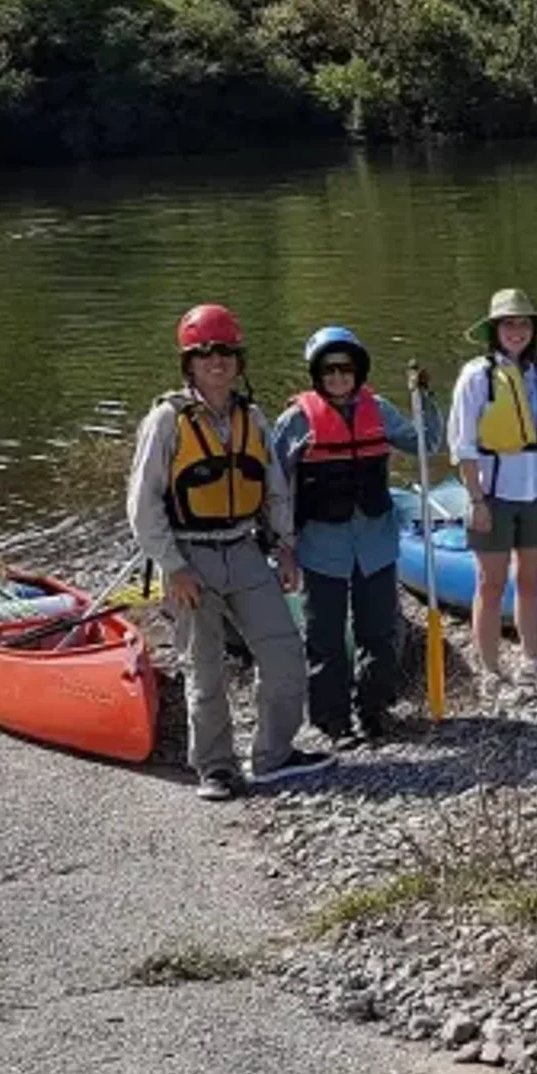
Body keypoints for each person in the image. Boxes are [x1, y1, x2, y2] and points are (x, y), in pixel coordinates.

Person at [127, 304, 331, 802]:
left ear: (239, 361)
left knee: (283, 652)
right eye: (205, 354)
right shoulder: (167, 420)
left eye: (226, 353)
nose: (217, 362)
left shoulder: (252, 418)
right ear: (190, 364)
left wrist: (285, 548)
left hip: (242, 549)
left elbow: (275, 490)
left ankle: (273, 756)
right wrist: (173, 567)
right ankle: (215, 767)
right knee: (205, 666)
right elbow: (143, 501)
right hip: (189, 557)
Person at [271, 326, 443, 746]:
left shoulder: (379, 410)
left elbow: (428, 444)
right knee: (325, 637)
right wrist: (282, 545)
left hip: (376, 543)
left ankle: (373, 709)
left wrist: (425, 401)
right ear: (316, 374)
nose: (337, 377)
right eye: (328, 370)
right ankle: (333, 721)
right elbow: (273, 485)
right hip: (320, 545)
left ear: (358, 370)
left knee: (378, 632)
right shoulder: (295, 421)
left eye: (345, 368)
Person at [449, 288, 537, 685]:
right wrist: (476, 499)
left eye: (524, 323)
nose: (517, 331)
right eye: (509, 324)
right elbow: (462, 445)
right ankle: (490, 665)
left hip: (536, 486)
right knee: (490, 582)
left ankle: (531, 656)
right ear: (495, 330)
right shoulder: (476, 376)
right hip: (493, 490)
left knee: (530, 579)